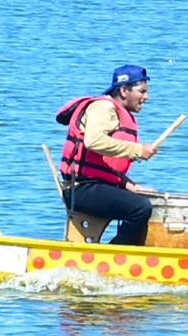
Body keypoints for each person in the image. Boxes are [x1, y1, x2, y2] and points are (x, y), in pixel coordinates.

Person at [54, 65, 169, 245]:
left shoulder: (115, 111)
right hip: (81, 190)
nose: (147, 97)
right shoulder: (104, 107)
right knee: (140, 208)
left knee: (146, 201)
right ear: (124, 90)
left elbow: (105, 168)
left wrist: (132, 186)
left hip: (96, 186)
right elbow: (93, 141)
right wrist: (138, 150)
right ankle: (116, 255)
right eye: (142, 91)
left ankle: (130, 253)